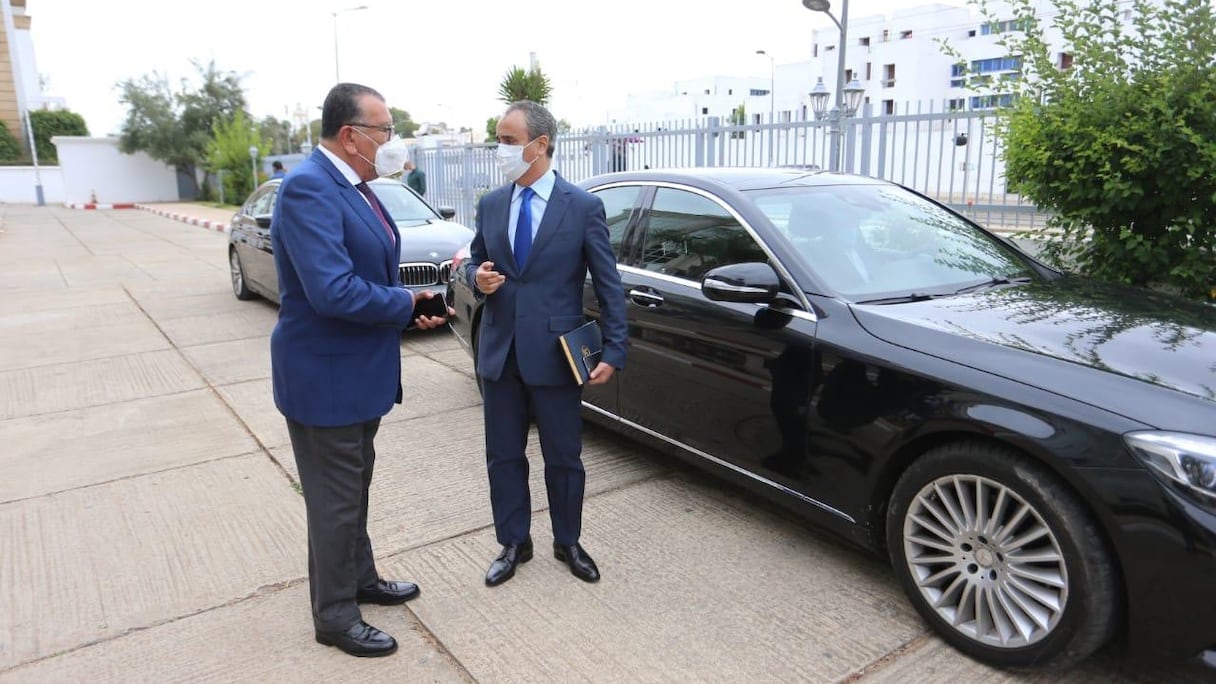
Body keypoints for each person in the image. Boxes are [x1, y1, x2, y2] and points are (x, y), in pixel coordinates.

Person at [270, 82, 447, 658]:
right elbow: (332, 290)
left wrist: (403, 310)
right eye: (384, 131)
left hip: (356, 375)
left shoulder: (357, 186)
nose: (391, 142)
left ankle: (359, 579)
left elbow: (365, 267)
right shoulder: (308, 189)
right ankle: (335, 614)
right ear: (351, 136)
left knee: (354, 488)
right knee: (334, 500)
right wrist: (404, 304)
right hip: (326, 379)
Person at [467, 101, 627, 587]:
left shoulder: (581, 207)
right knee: (503, 456)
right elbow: (474, 263)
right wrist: (478, 278)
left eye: (510, 140)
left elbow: (608, 284)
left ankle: (568, 541)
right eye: (499, 139)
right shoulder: (492, 204)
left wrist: (614, 350)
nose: (501, 149)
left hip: (556, 357)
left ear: (540, 145)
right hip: (500, 352)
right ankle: (514, 541)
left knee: (564, 456)